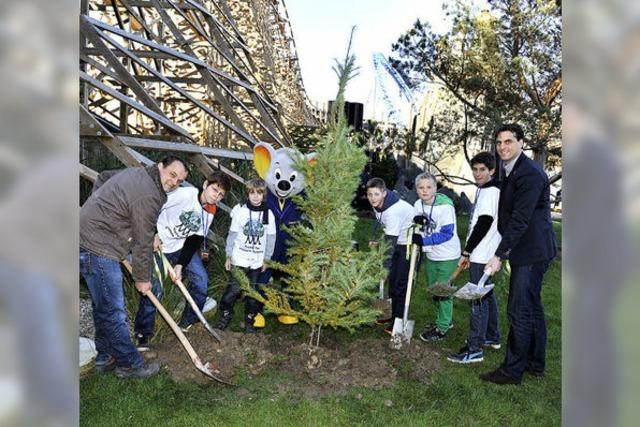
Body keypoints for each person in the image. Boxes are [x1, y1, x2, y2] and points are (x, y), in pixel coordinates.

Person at [79, 156, 189, 379]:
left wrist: (99, 208)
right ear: (161, 166)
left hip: (87, 235)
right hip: (99, 246)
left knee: (104, 305)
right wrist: (142, 278)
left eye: (180, 180)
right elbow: (142, 242)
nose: (174, 181)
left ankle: (105, 355)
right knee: (114, 310)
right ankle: (129, 364)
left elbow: (103, 176)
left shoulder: (138, 173)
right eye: (172, 174)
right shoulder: (149, 194)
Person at [480, 124, 557, 385]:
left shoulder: (530, 174)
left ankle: (512, 370)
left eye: (509, 141)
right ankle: (535, 363)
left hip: (532, 251)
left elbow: (521, 219)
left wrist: (499, 255)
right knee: (532, 306)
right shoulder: (513, 169)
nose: (503, 146)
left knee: (519, 309)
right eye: (499, 142)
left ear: (521, 142)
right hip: (532, 248)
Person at [133, 171, 230, 348]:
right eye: (215, 190)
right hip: (157, 245)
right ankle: (142, 334)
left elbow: (194, 239)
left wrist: (180, 265)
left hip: (180, 247)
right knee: (155, 289)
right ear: (205, 185)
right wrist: (153, 233)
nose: (217, 196)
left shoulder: (210, 210)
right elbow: (153, 206)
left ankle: (187, 324)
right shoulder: (185, 195)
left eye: (221, 194)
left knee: (201, 280)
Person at [447, 152, 501, 364]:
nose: (478, 174)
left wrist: (467, 251)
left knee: (476, 301)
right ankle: (491, 336)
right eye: (475, 169)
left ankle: (474, 348)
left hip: (482, 254)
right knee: (487, 296)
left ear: (492, 171)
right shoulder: (488, 189)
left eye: (482, 170)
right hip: (484, 253)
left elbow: (484, 223)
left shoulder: (489, 192)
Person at [215, 178, 276, 332]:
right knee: (233, 291)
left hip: (256, 262)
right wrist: (229, 256)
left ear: (264, 195)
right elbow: (232, 235)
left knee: (253, 294)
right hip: (239, 259)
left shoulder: (268, 214)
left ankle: (250, 320)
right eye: (252, 193)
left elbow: (271, 238)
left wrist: (266, 259)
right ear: (247, 194)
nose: (255, 196)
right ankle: (225, 314)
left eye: (259, 193)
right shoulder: (241, 212)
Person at [411, 173, 461, 342]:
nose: (425, 191)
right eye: (421, 187)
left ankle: (442, 328)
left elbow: (447, 233)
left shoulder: (445, 207)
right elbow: (416, 222)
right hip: (431, 254)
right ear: (416, 189)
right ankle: (444, 319)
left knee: (443, 291)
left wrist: (423, 240)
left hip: (447, 255)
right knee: (434, 289)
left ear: (435, 188)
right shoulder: (418, 204)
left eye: (429, 187)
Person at [365, 177, 414, 334]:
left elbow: (390, 243)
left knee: (398, 284)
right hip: (397, 240)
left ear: (384, 193)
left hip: (408, 246)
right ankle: (390, 314)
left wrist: (384, 268)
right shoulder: (379, 205)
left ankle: (398, 322)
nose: (373, 198)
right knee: (393, 283)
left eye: (376, 194)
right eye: (370, 194)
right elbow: (384, 226)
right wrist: (378, 239)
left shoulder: (393, 212)